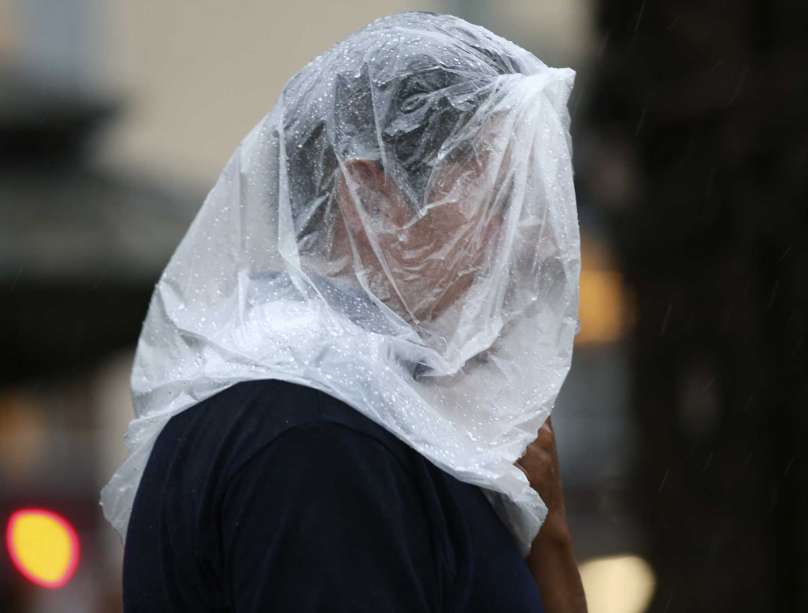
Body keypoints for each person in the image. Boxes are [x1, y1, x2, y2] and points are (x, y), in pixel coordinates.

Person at [104, 11, 587, 612]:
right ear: (371, 197)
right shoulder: (318, 436)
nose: (529, 240)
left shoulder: (361, 414)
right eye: (499, 197)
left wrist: (549, 536)